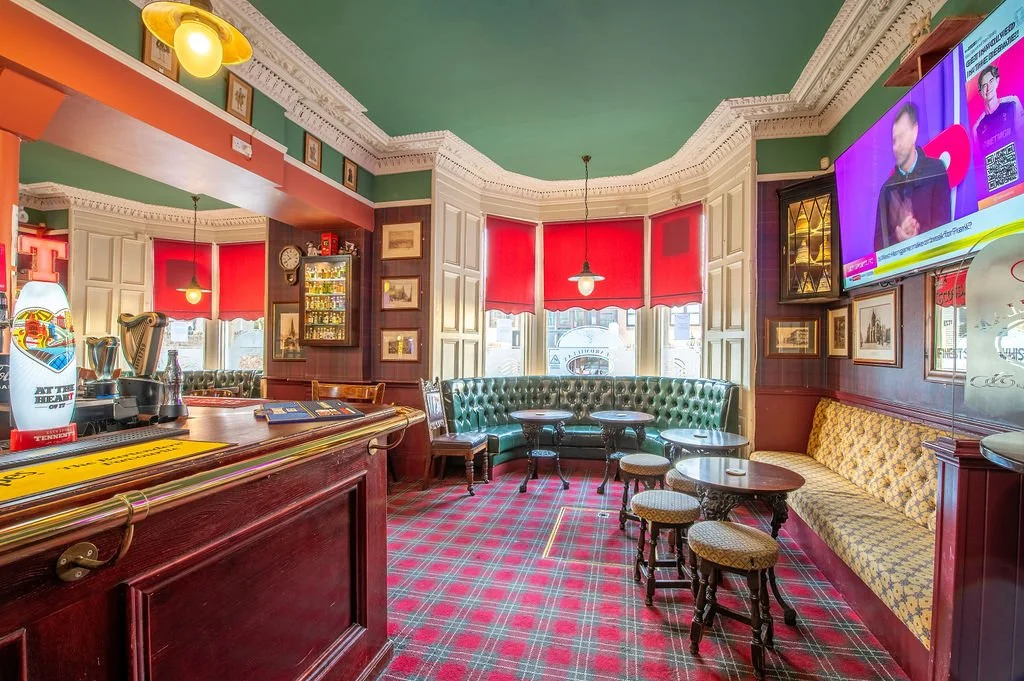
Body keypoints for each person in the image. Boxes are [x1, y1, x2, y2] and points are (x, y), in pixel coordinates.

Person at [874, 102, 951, 250]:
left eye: (901, 137)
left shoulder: (936, 170)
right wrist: (898, 237)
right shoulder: (886, 189)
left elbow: (944, 227)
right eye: (894, 140)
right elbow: (878, 245)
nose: (897, 146)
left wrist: (916, 237)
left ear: (915, 132)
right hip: (898, 270)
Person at [972, 63, 1024, 193]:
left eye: (991, 81)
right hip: (995, 192)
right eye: (984, 85)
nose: (988, 87)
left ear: (997, 81)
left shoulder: (1012, 103)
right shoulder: (977, 127)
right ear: (980, 91)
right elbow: (981, 166)